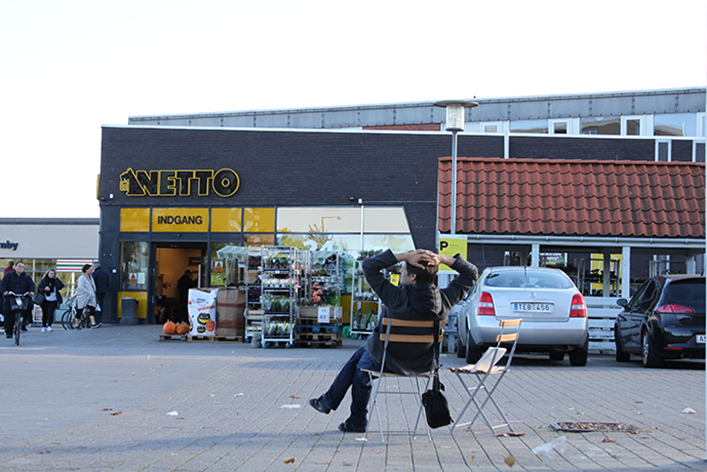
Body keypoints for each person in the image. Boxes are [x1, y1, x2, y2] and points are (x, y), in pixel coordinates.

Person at [309, 248, 478, 433]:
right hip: (424, 363)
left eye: (403, 270)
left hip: (388, 361)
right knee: (362, 354)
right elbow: (471, 273)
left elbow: (368, 266)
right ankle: (328, 401)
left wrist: (404, 255)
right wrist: (442, 259)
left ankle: (354, 420)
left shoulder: (395, 296)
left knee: (361, 370)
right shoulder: (444, 300)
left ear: (413, 277)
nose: (400, 273)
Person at [0, 261, 36, 340]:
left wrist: (32, 291)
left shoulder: (26, 277)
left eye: (23, 267)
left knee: (29, 305)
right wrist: (4, 291)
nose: (21, 268)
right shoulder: (9, 275)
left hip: (23, 295)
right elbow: (3, 284)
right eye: (19, 266)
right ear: (15, 267)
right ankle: (9, 332)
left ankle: (24, 320)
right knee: (8, 313)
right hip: (11, 295)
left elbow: (31, 285)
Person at [37, 268, 64, 332]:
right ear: (47, 274)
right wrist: (44, 289)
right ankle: (43, 326)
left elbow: (61, 286)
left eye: (53, 274)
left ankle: (49, 325)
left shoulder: (55, 281)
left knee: (50, 312)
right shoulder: (44, 281)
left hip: (53, 299)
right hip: (45, 299)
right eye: (50, 273)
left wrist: (56, 278)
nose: (51, 275)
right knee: (45, 313)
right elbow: (39, 289)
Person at [75, 264, 101, 329]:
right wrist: (87, 291)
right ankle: (77, 324)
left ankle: (93, 323)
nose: (91, 270)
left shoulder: (91, 277)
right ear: (86, 270)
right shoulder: (82, 278)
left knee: (92, 308)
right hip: (84, 296)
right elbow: (80, 287)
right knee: (80, 310)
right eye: (90, 269)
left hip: (91, 296)